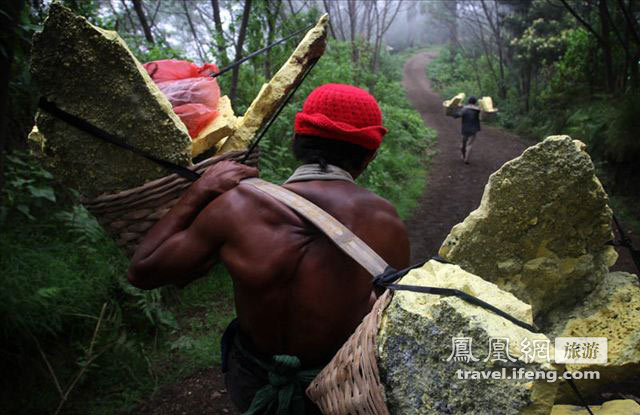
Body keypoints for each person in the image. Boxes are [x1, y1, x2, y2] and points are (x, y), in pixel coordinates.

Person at [128, 83, 411, 415]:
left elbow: (143, 270)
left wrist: (199, 191)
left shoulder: (235, 206)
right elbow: (386, 322)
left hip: (251, 379)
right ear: (370, 155)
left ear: (296, 139)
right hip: (333, 388)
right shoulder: (385, 224)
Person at [453, 96, 481, 164]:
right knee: (470, 144)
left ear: (468, 101)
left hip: (465, 129)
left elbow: (457, 115)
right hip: (474, 129)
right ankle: (466, 159)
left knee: (463, 143)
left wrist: (454, 111)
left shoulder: (464, 109)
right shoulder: (477, 109)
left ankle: (463, 155)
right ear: (475, 102)